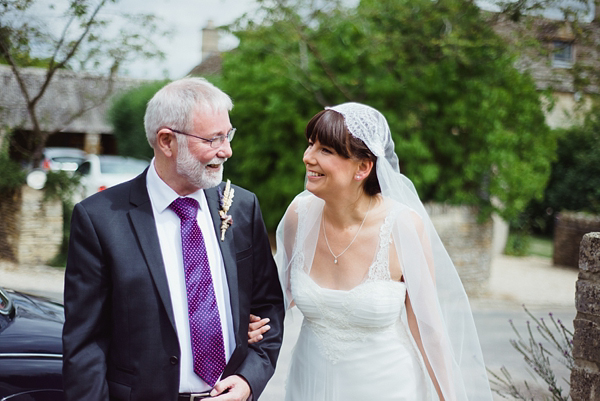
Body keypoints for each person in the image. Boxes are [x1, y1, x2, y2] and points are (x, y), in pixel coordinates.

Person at [62, 77, 285, 401]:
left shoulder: (241, 207)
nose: (227, 150)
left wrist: (249, 379)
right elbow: (85, 345)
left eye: (228, 134)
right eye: (213, 139)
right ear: (167, 141)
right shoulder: (100, 220)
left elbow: (267, 306)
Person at [273, 103, 493, 400]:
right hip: (309, 383)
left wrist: (448, 397)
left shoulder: (403, 226)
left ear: (363, 167)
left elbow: (429, 328)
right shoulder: (298, 215)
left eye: (325, 150)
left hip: (387, 387)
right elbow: (275, 301)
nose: (307, 157)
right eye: (311, 144)